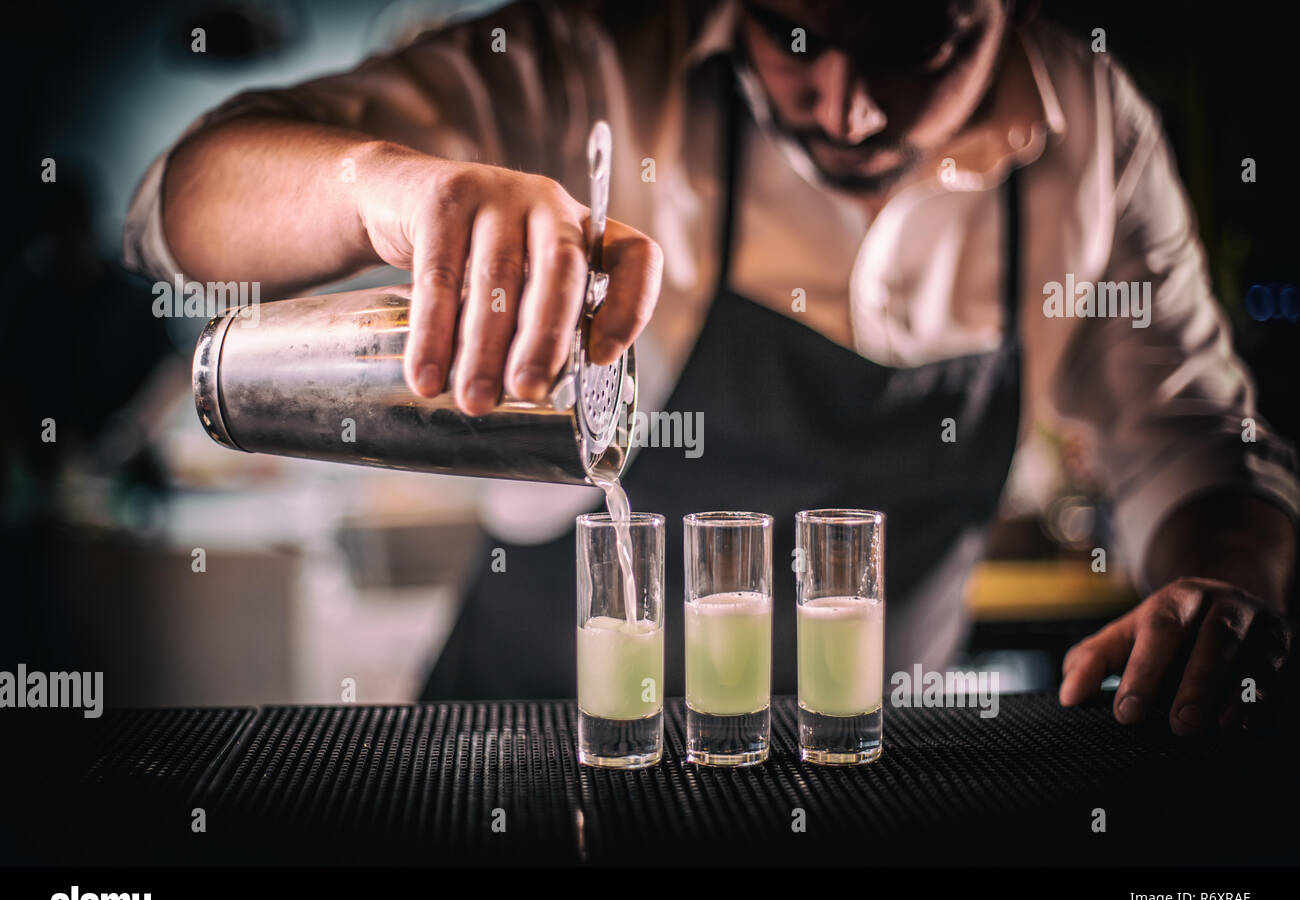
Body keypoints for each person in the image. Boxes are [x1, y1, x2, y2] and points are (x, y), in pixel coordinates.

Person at [126, 0, 1297, 734]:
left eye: (914, 44)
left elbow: (1198, 441)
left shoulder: (1088, 126)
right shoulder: (591, 55)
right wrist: (377, 185)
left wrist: (1226, 576)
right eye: (800, 43)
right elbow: (178, 202)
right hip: (534, 737)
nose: (847, 102)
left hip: (862, 755)